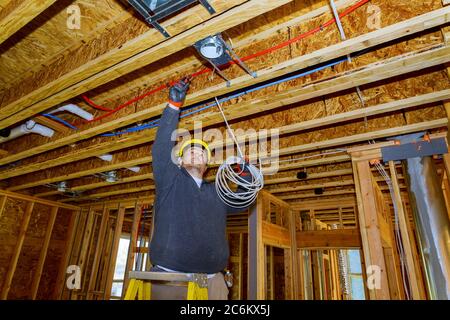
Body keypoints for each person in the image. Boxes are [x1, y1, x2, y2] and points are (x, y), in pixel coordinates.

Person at [149, 78, 253, 300]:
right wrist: (173, 107)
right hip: (171, 279)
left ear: (207, 165)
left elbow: (242, 202)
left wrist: (245, 175)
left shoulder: (216, 191)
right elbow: (160, 149)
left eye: (202, 152)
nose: (196, 152)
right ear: (178, 160)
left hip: (213, 282)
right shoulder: (170, 181)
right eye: (190, 150)